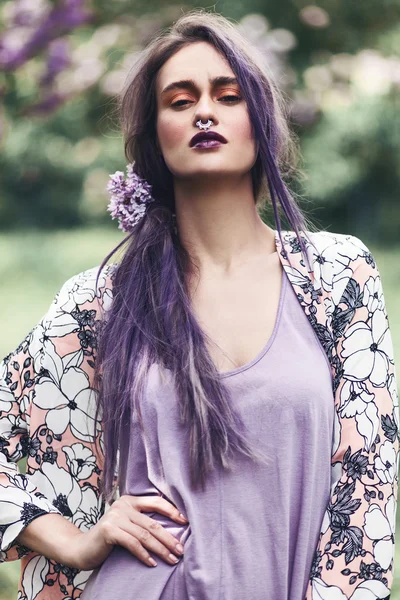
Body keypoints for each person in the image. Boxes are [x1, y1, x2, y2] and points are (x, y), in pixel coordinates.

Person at [0, 8, 398, 600]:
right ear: (154, 136)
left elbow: (368, 493)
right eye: (180, 101)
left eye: (228, 95)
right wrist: (73, 540)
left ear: (260, 121)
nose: (204, 111)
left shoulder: (336, 276)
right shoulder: (102, 300)